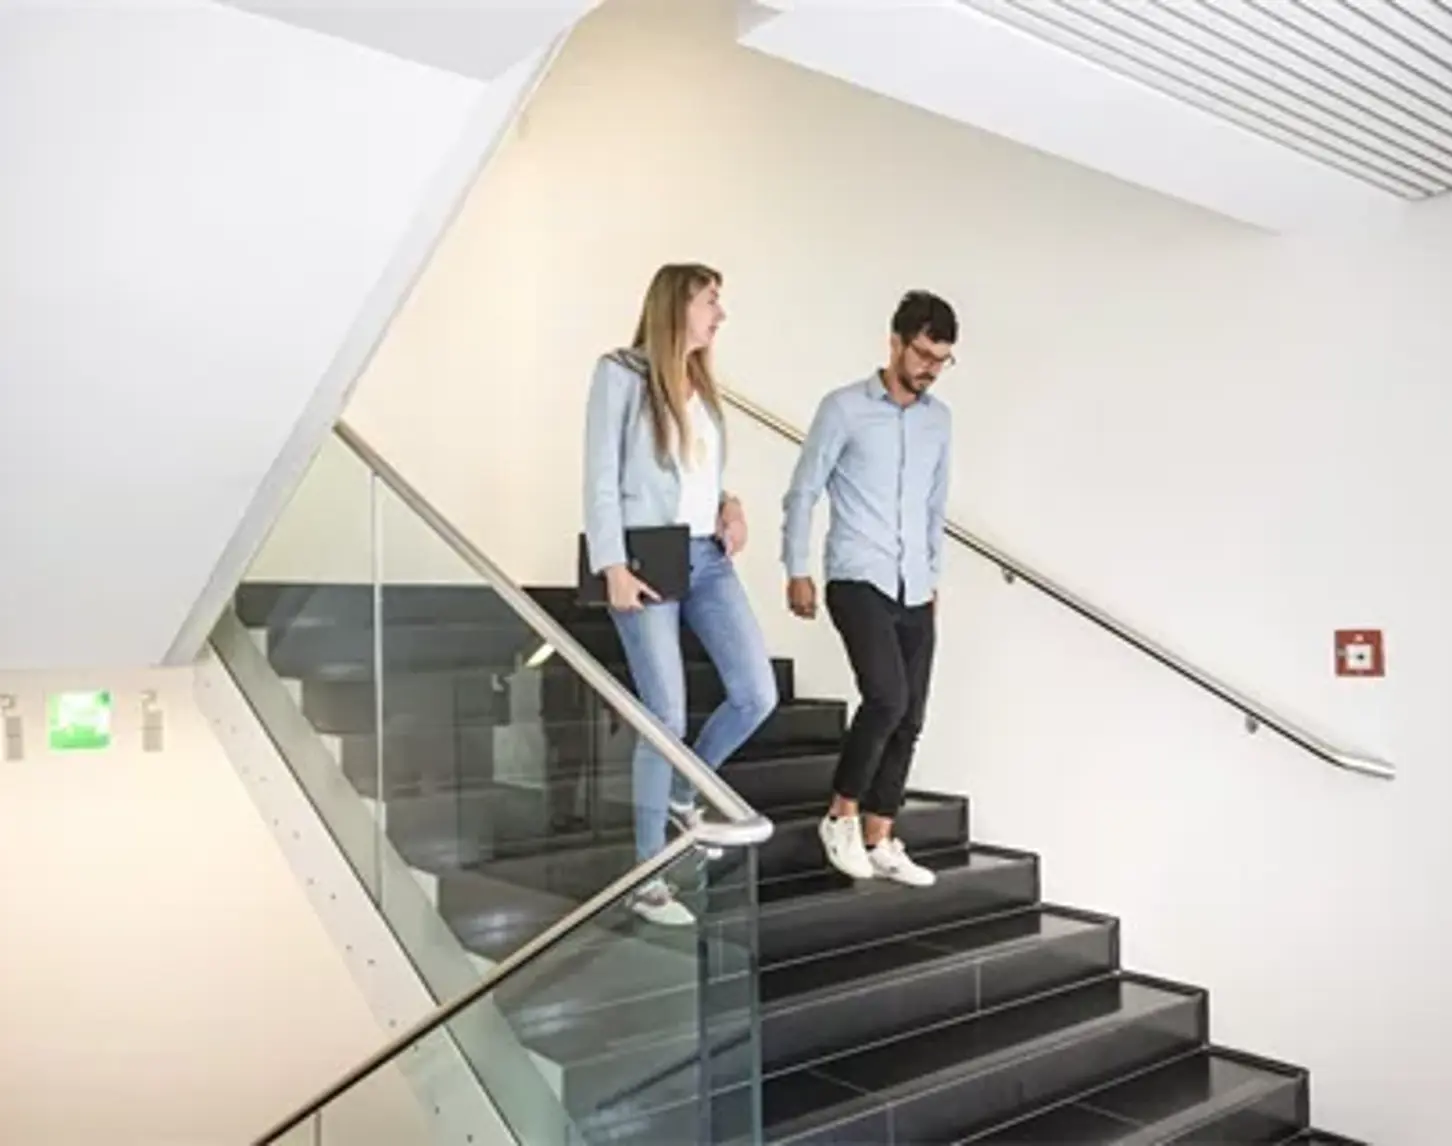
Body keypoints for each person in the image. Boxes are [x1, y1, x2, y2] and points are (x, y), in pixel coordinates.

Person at [583, 263, 778, 926]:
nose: (720, 314)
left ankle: (678, 790)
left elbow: (698, 471)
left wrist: (731, 503)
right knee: (663, 715)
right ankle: (647, 878)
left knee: (757, 693)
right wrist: (610, 563)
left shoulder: (703, 385)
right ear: (677, 305)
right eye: (711, 301)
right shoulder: (620, 375)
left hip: (707, 556)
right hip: (645, 555)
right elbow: (602, 477)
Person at [781, 290, 958, 888]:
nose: (931, 368)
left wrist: (933, 575)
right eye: (924, 353)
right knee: (885, 696)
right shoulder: (844, 409)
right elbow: (803, 490)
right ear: (895, 342)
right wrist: (795, 567)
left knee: (911, 716)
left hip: (916, 584)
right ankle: (841, 815)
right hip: (857, 574)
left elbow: (935, 505)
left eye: (943, 359)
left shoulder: (940, 421)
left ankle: (881, 835)